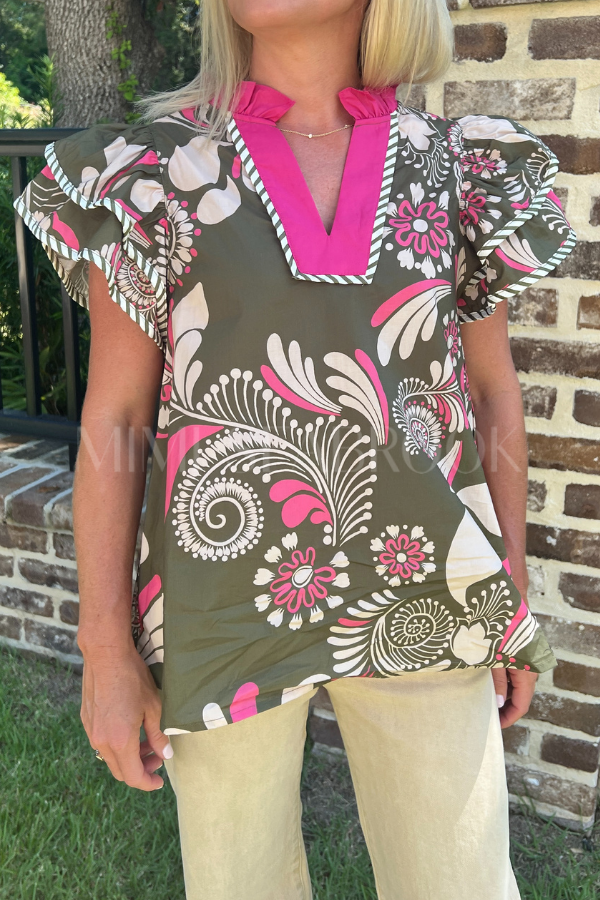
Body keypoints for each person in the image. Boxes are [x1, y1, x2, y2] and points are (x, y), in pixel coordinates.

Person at [15, 1, 576, 897]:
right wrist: (105, 649)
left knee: (462, 881)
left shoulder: (458, 169)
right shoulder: (154, 174)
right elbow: (115, 419)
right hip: (220, 608)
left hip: (431, 591)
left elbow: (490, 393)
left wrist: (507, 587)